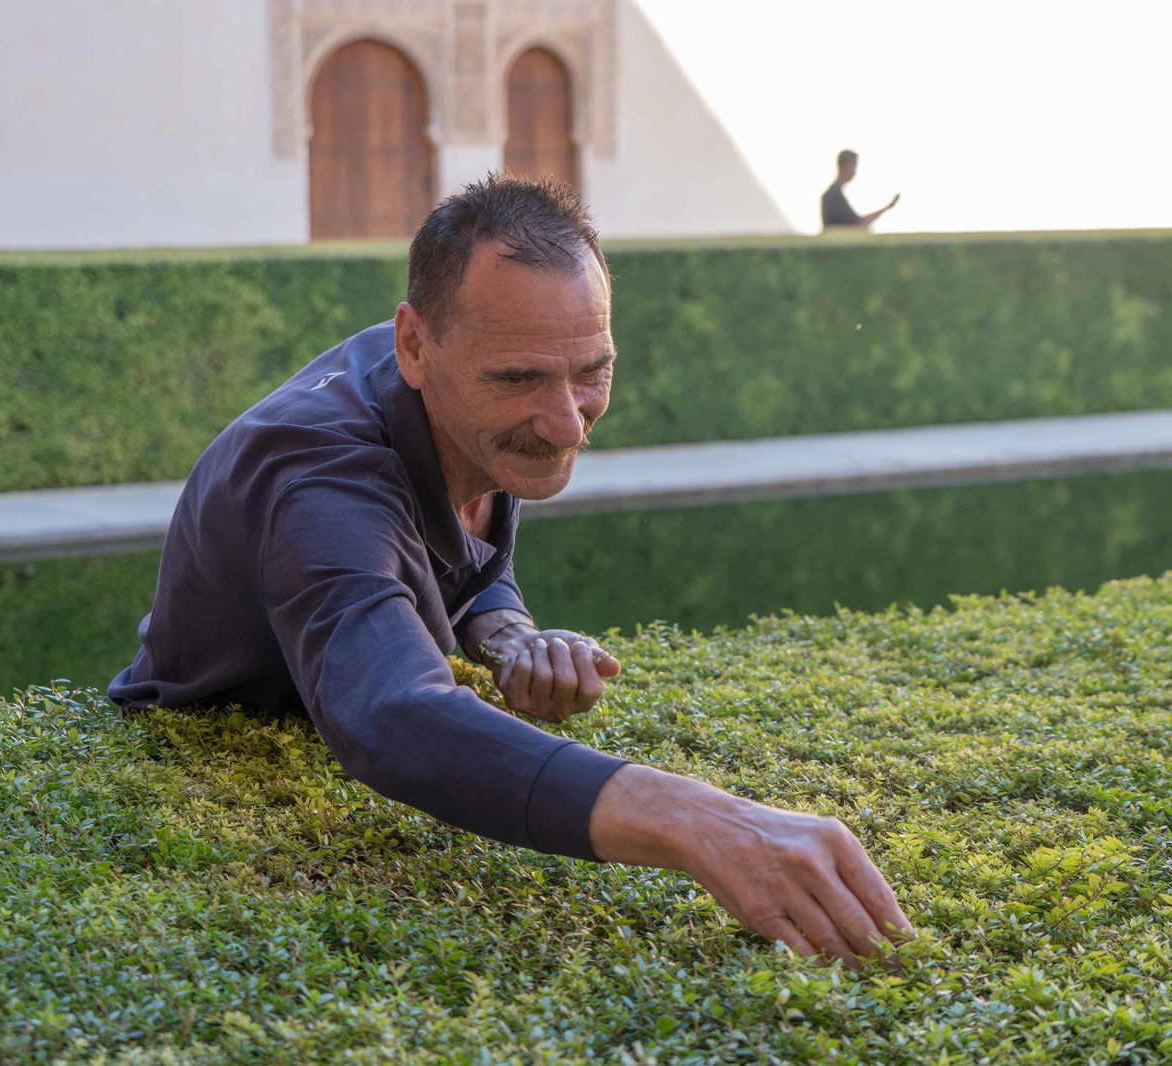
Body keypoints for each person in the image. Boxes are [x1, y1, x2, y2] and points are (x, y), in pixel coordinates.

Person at [108, 174, 913, 966]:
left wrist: (510, 638)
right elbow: (391, 714)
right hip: (204, 774)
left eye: (591, 370)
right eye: (520, 379)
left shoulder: (458, 380)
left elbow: (465, 554)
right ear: (415, 346)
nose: (565, 422)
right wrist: (698, 817)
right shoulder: (318, 473)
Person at [821, 150, 899, 230]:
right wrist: (887, 207)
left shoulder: (833, 194)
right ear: (846, 166)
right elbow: (859, 223)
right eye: (854, 166)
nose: (854, 172)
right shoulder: (833, 196)